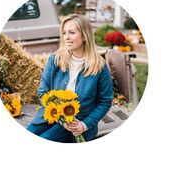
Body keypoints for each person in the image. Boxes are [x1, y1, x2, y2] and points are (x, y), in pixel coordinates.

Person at [27, 14, 113, 143]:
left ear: (84, 36)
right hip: (51, 116)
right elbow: (43, 93)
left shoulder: (99, 66)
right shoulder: (55, 60)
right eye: (64, 33)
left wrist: (84, 125)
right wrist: (59, 116)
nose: (66, 37)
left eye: (71, 33)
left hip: (79, 123)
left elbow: (105, 101)